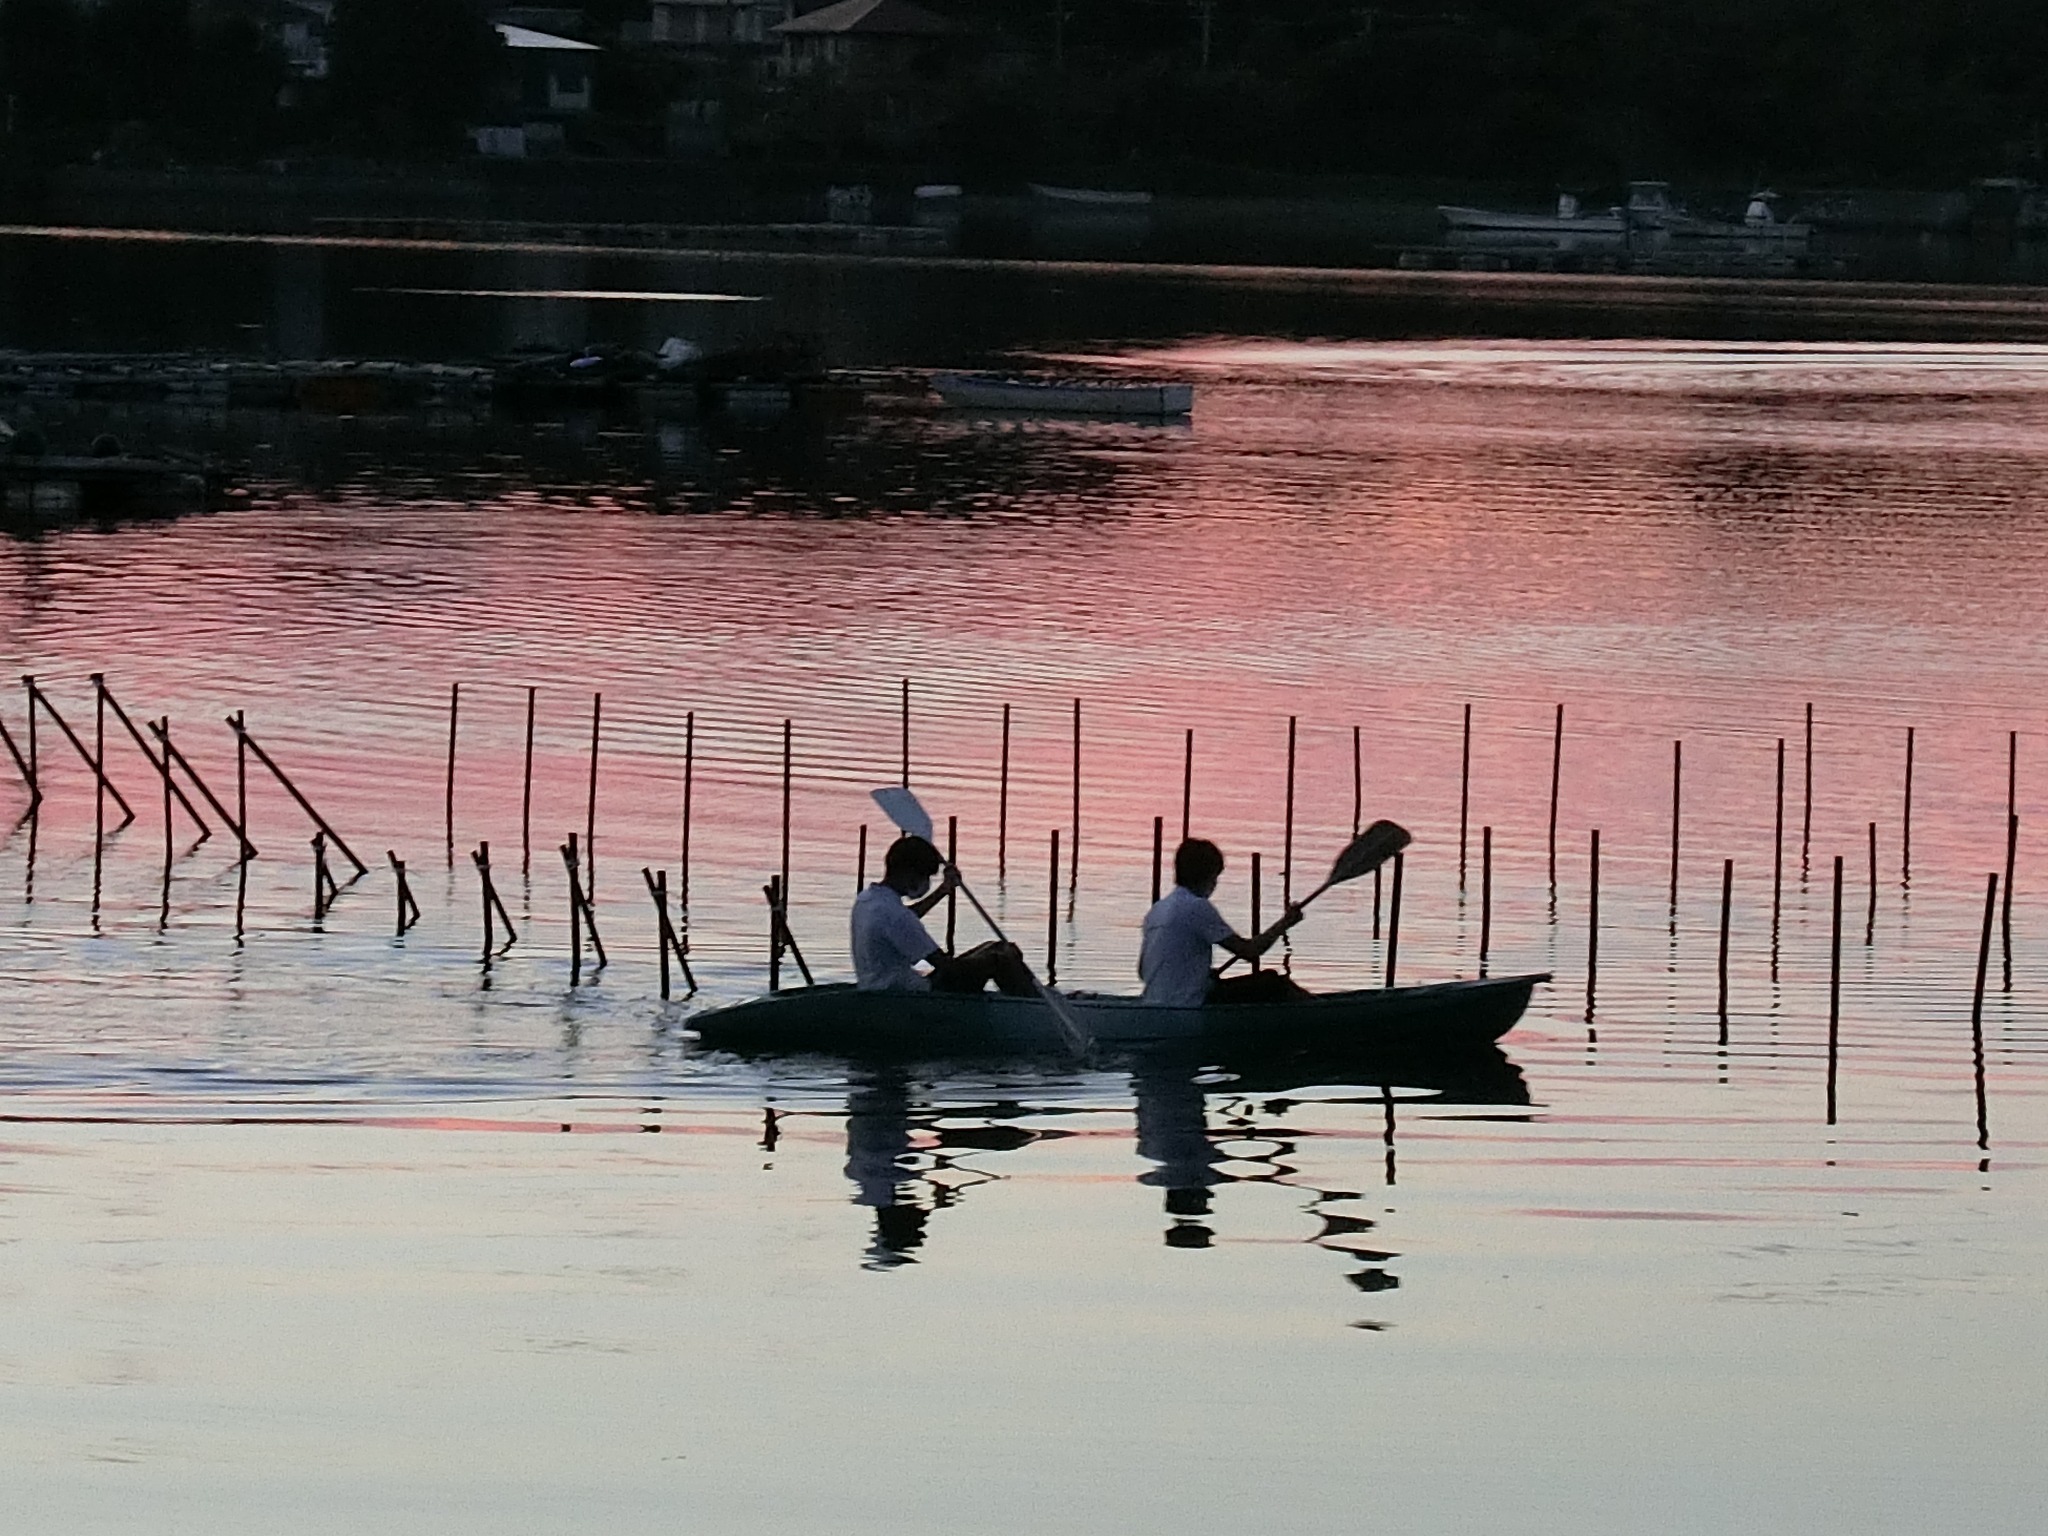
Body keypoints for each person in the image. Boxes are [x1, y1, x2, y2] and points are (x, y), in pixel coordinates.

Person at [852, 834, 1035, 995]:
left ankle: (1033, 996)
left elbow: (905, 919)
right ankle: (1034, 1007)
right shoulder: (896, 917)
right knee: (1003, 957)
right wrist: (985, 964)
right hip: (905, 989)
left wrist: (943, 890)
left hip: (878, 980)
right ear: (910, 873)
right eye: (926, 877)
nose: (926, 883)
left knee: (997, 947)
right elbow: (943, 967)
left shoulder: (869, 899)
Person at [1139, 838, 1306, 1006]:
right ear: (1208, 876)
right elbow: (1250, 951)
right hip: (1191, 1003)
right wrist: (1285, 923)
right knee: (1273, 982)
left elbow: (1142, 971)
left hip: (1154, 1002)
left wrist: (1201, 974)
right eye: (1215, 877)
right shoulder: (1197, 907)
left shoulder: (1156, 911)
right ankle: (1320, 1009)